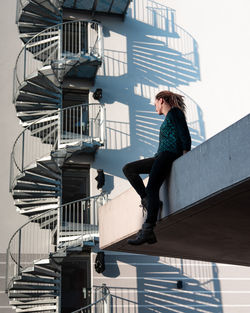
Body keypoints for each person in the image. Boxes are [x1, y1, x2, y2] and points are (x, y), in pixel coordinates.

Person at [122, 90, 191, 245]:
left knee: (152, 188)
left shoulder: (175, 113)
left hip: (169, 154)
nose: (155, 108)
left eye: (155, 104)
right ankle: (147, 201)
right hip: (160, 155)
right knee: (129, 169)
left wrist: (186, 154)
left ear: (161, 100)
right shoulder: (169, 117)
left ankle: (148, 230)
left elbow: (184, 134)